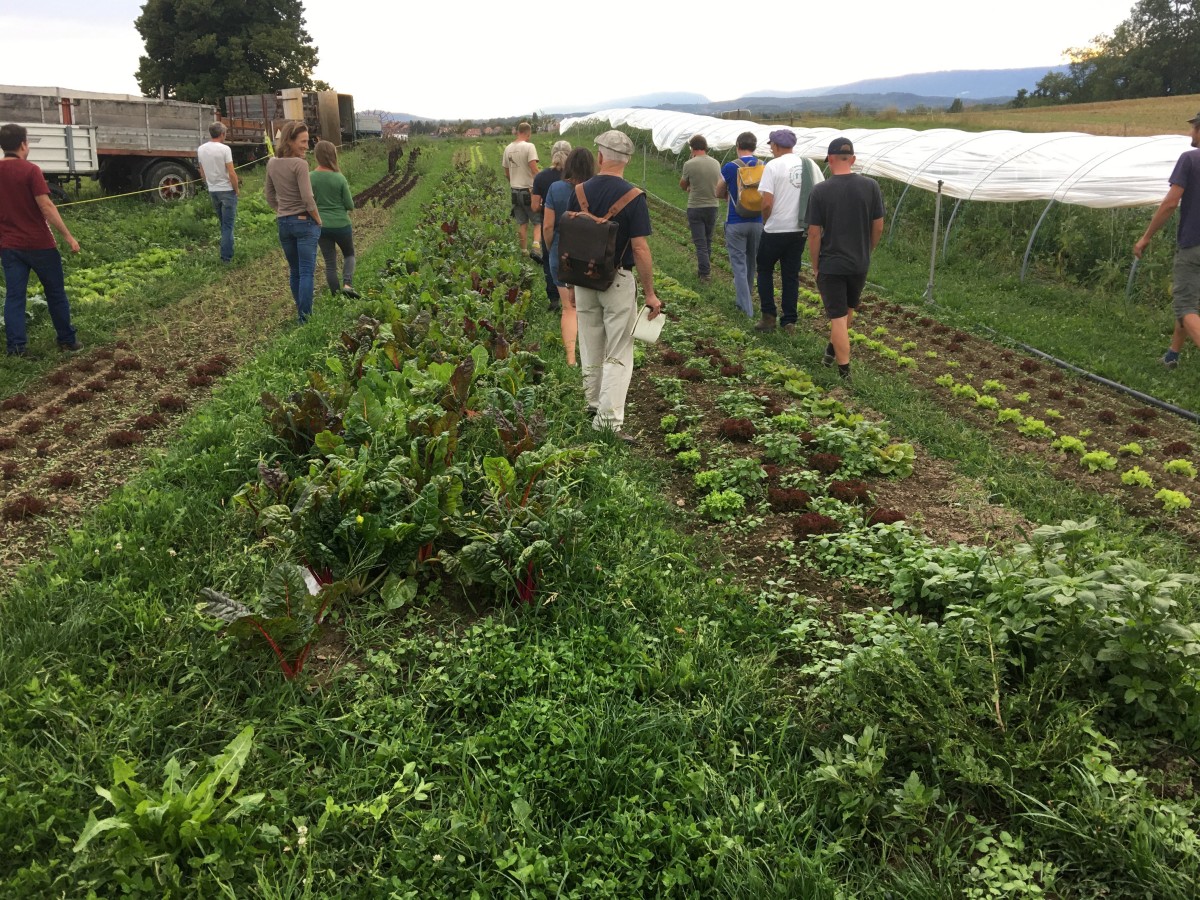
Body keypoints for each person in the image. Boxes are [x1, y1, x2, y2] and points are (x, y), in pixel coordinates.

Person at [566, 131, 662, 439]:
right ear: (627, 160)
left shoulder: (579, 191)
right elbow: (640, 249)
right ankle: (607, 422)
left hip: (583, 279)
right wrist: (650, 293)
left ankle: (593, 403)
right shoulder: (634, 197)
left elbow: (570, 238)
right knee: (619, 349)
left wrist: (571, 283)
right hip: (617, 281)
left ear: (600, 157)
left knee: (590, 342)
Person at [806, 137, 884, 382]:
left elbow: (814, 233)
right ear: (853, 159)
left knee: (838, 318)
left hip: (832, 263)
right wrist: (867, 250)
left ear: (829, 160)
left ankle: (845, 374)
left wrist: (815, 265)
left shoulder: (820, 191)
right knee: (848, 311)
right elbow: (878, 226)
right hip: (859, 263)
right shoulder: (871, 186)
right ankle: (831, 351)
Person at [0, 123, 81, 357]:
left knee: (15, 296)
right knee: (55, 292)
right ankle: (67, 340)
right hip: (40, 245)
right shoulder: (31, 170)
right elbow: (46, 206)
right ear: (23, 144)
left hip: (9, 246)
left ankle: (16, 348)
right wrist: (68, 236)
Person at [1133, 111, 1200, 370]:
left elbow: (1171, 203)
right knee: (1190, 302)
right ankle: (1172, 355)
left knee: (1185, 307)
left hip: (1194, 245)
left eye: (1193, 128)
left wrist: (1146, 237)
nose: (1190, 133)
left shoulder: (1190, 159)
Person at [756, 128, 823, 334]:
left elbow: (767, 202)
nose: (771, 149)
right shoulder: (810, 165)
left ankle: (768, 317)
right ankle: (789, 321)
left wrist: (765, 221)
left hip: (775, 229)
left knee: (765, 270)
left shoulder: (773, 166)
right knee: (791, 275)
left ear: (775, 146)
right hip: (799, 230)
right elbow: (820, 194)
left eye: (771, 146)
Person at [542, 147, 596, 368]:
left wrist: (551, 248)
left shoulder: (555, 188)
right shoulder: (595, 189)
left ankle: (571, 359)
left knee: (569, 308)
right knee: (590, 309)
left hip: (561, 253)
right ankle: (592, 358)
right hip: (590, 256)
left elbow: (548, 226)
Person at [264, 121, 322, 323]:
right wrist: (318, 219)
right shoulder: (300, 164)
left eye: (307, 141)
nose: (307, 146)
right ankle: (305, 318)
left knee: (295, 271)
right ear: (289, 141)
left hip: (284, 223)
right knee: (306, 272)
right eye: (303, 142)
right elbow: (307, 198)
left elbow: (269, 194)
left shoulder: (272, 163)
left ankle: (301, 312)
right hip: (304, 222)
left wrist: (281, 210)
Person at [716, 131, 763, 319]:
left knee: (739, 265)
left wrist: (728, 195)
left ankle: (746, 308)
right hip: (757, 221)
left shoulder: (730, 167)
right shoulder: (763, 166)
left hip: (736, 222)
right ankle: (747, 298)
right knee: (752, 263)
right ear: (754, 147)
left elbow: (718, 191)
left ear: (737, 146)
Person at [310, 140, 360, 300]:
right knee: (349, 254)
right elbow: (350, 205)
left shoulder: (310, 177)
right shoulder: (339, 178)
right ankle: (347, 285)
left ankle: (336, 295)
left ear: (317, 156)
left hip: (321, 225)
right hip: (341, 225)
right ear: (333, 155)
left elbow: (308, 201)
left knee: (330, 263)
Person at [532, 139, 570, 310]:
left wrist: (548, 208)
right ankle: (573, 296)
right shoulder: (576, 177)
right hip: (575, 226)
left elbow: (534, 207)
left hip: (550, 225)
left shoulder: (541, 177)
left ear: (551, 154)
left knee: (549, 261)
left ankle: (554, 300)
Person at [679, 134, 721, 283]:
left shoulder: (689, 164)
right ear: (705, 147)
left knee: (700, 243)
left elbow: (683, 184)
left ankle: (705, 273)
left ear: (692, 148)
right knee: (708, 240)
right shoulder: (716, 163)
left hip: (696, 206)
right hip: (713, 206)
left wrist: (689, 186)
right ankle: (704, 269)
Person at [196, 122, 239, 264]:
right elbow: (231, 172)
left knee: (223, 224)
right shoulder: (225, 149)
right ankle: (226, 257)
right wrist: (236, 189)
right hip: (227, 190)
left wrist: (208, 184)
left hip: (213, 190)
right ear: (222, 134)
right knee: (228, 225)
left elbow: (202, 172)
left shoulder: (201, 149)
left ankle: (226, 252)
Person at [502, 122, 540, 253]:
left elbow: (506, 173)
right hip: (528, 191)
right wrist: (542, 183)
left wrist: (513, 183)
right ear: (528, 133)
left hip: (514, 192)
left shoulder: (507, 148)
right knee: (538, 222)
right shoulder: (529, 146)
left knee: (522, 223)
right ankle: (536, 248)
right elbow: (534, 169)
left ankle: (524, 251)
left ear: (518, 132)